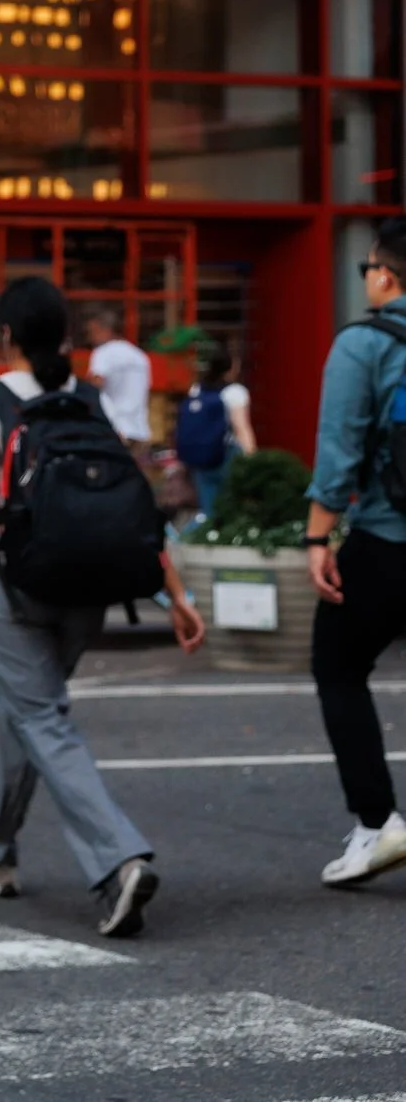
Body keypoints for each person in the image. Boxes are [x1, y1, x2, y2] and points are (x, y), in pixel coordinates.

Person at [0, 276, 205, 936]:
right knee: (26, 711)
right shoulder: (89, 399)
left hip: (11, 585)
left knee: (42, 718)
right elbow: (129, 505)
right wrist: (174, 595)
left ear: (5, 335)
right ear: (62, 335)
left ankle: (118, 858)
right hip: (88, 588)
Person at [300, 218, 406, 888]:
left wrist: (317, 536)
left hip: (390, 537)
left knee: (338, 664)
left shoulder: (364, 343)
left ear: (385, 275)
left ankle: (378, 822)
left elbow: (338, 452)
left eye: (364, 268)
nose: (364, 278)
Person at [176, 348, 256, 520]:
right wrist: (251, 457)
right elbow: (241, 427)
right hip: (227, 454)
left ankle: (201, 537)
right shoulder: (235, 392)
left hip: (202, 456)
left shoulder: (197, 389)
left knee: (209, 510)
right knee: (232, 508)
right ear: (230, 368)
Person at [85, 306, 153, 455]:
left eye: (92, 332)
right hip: (140, 430)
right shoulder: (139, 356)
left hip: (115, 429)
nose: (89, 338)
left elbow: (95, 384)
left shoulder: (103, 353)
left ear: (105, 330)